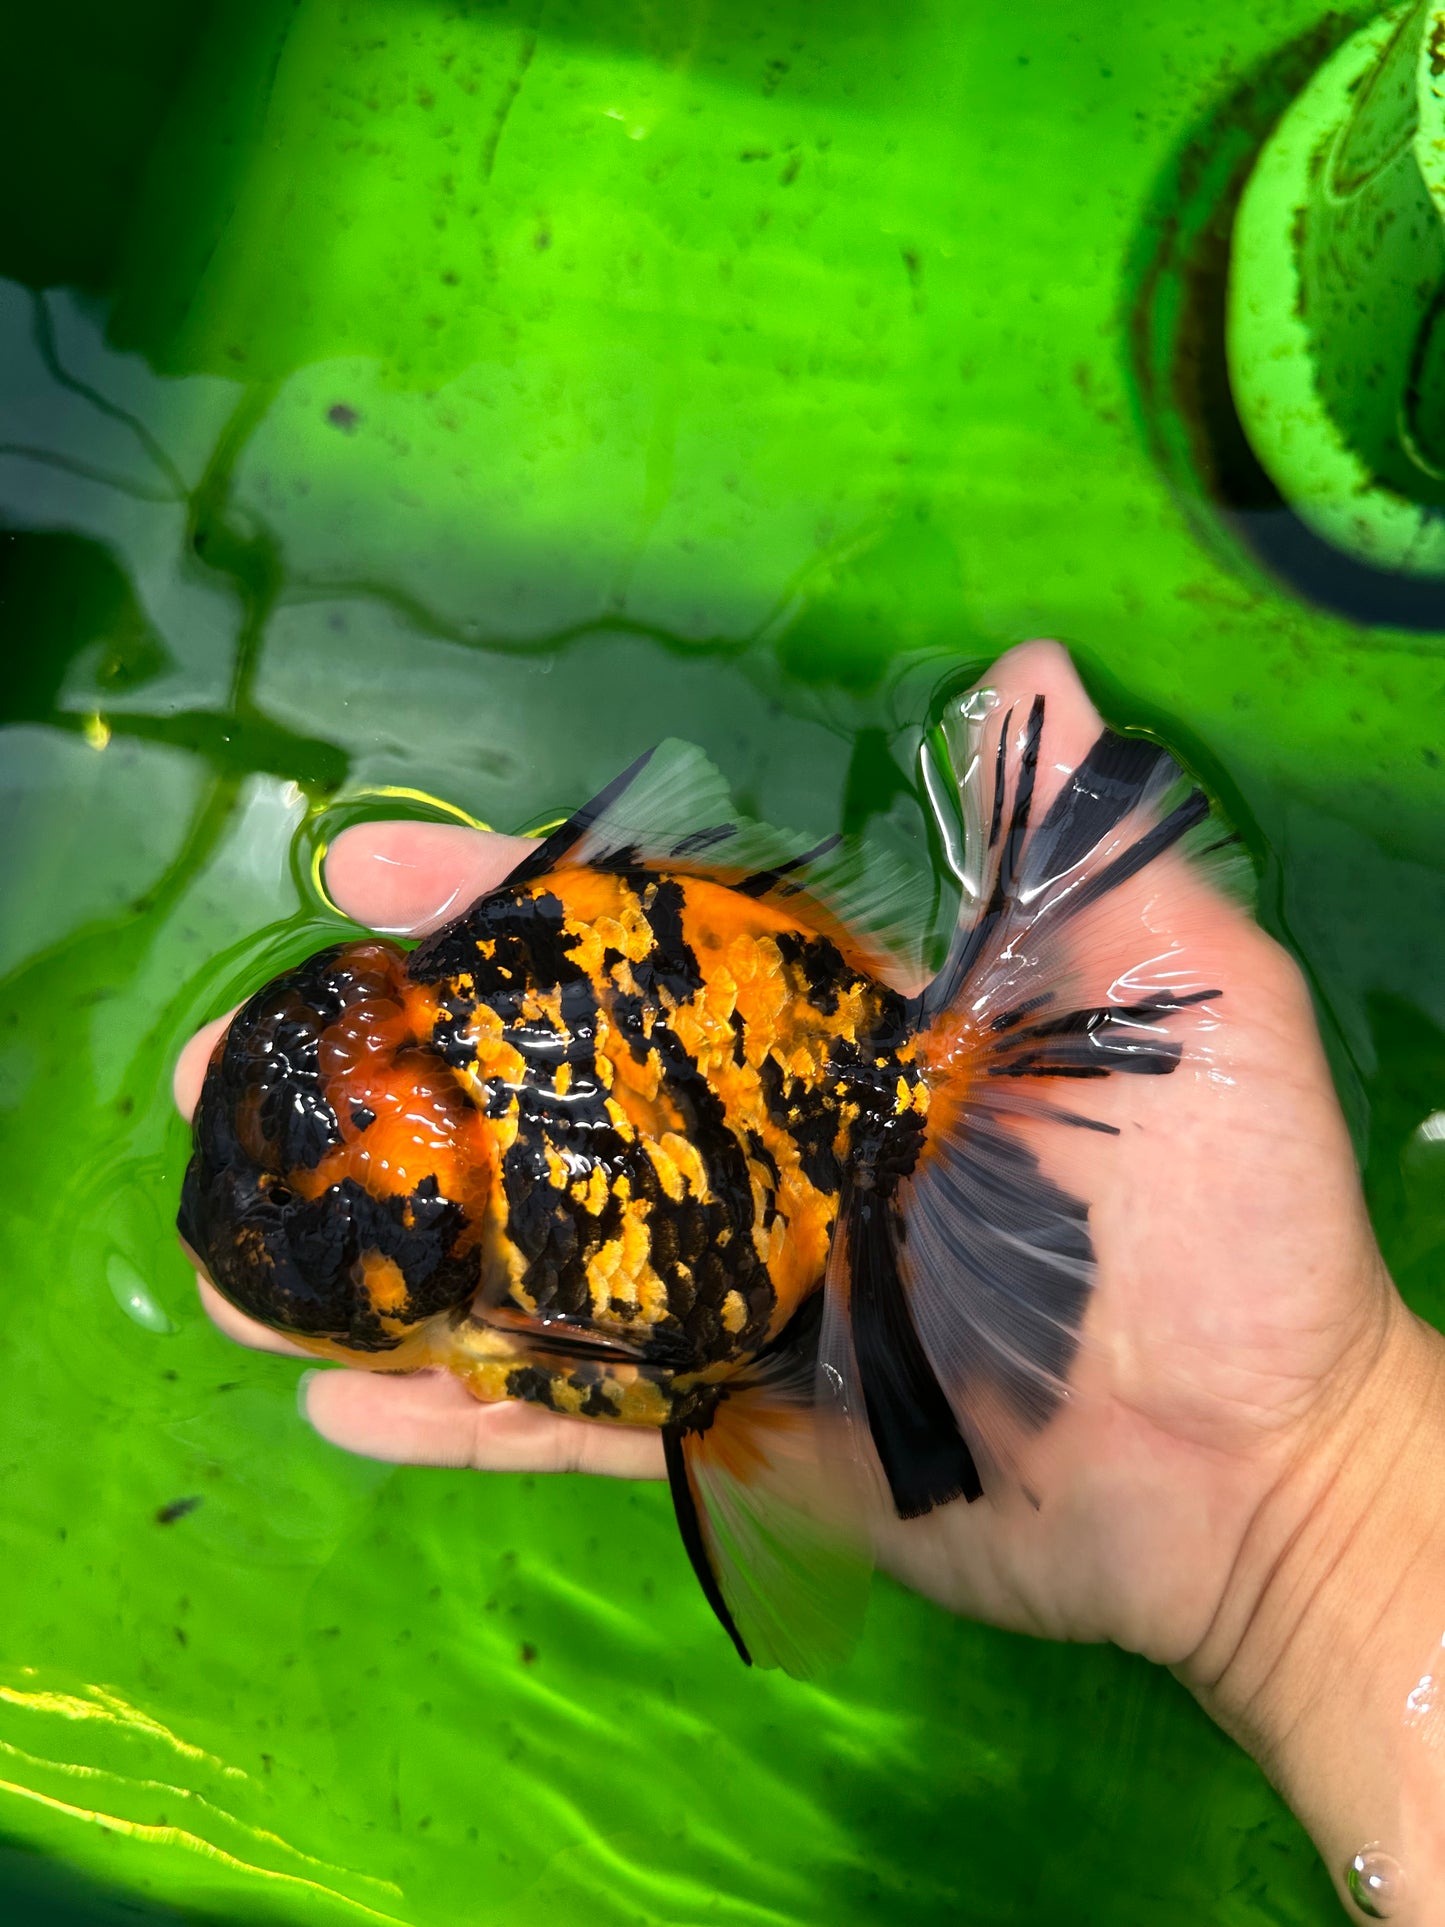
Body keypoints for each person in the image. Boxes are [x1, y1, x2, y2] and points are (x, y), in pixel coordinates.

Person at [173, 643, 1445, 1922]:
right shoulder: (457, 1151)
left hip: (792, 1171)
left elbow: (682, 1390)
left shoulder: (486, 1284)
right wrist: (1302, 1505)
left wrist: (1302, 1491)